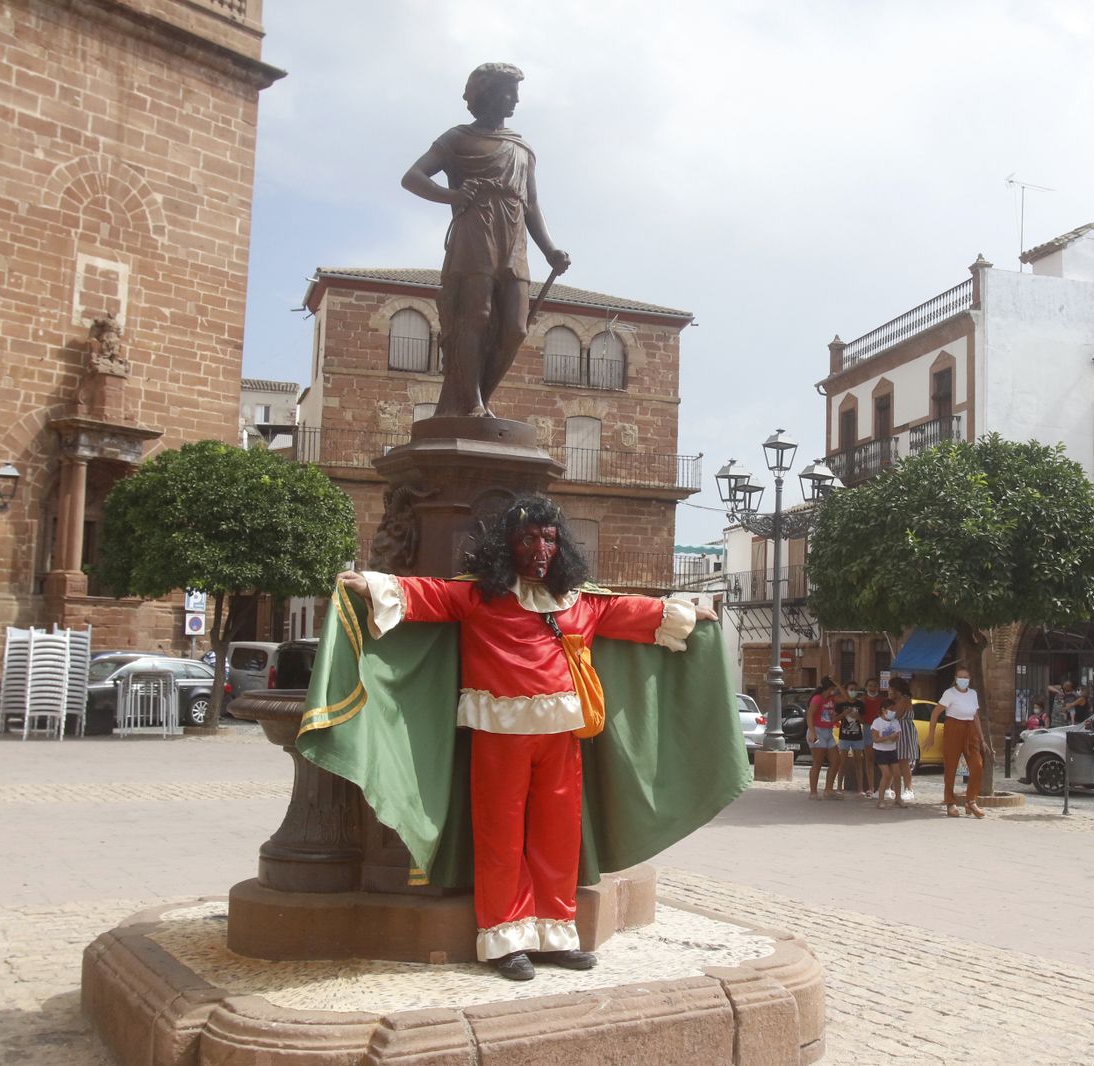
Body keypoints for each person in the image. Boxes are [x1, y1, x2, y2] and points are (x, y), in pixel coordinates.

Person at [333, 495, 718, 980]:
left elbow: (627, 610)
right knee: (501, 836)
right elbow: (425, 594)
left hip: (562, 735)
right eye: (530, 538)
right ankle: (505, 938)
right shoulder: (479, 596)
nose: (541, 548)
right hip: (499, 736)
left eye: (549, 538)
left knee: (558, 836)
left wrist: (685, 615)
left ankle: (556, 933)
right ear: (508, 545)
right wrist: (369, 584)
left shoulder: (578, 600)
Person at [401, 63, 571, 418]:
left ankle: (479, 398)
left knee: (515, 328)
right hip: (474, 235)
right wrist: (453, 196)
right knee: (475, 317)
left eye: (517, 92)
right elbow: (412, 177)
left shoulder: (521, 147)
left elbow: (533, 204)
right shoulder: (456, 138)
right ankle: (472, 403)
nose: (516, 99)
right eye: (509, 91)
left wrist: (550, 249)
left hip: (514, 241)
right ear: (488, 94)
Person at [928, 666, 989, 819]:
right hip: (953, 728)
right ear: (955, 679)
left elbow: (975, 716)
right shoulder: (949, 693)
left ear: (969, 679)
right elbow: (935, 713)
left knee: (977, 766)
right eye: (960, 677)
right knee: (951, 767)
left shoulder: (973, 694)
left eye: (966, 677)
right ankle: (950, 802)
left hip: (970, 731)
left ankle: (971, 800)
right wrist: (931, 735)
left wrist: (982, 739)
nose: (963, 680)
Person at [806, 679, 842, 800]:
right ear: (829, 688)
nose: (835, 691)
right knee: (818, 761)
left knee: (836, 760)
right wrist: (812, 732)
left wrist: (837, 684)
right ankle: (813, 792)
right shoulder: (817, 699)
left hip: (828, 732)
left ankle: (828, 789)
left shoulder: (832, 699)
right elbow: (810, 715)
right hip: (817, 732)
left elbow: (846, 698)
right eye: (833, 688)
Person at [889, 675, 919, 801]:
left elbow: (896, 714)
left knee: (903, 761)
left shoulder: (904, 699)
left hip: (904, 732)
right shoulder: (897, 700)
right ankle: (889, 788)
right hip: (896, 732)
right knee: (893, 760)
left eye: (891, 688)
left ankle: (908, 789)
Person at [871, 698, 904, 808]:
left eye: (894, 709)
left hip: (892, 750)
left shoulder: (895, 722)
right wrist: (888, 737)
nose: (893, 712)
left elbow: (897, 738)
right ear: (884, 710)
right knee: (886, 774)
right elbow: (875, 739)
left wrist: (894, 738)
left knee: (897, 775)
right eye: (891, 709)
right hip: (880, 751)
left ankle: (898, 798)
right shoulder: (877, 722)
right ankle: (880, 800)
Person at [858, 679, 884, 798]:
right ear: (866, 687)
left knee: (882, 759)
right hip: (868, 729)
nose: (872, 688)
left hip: (880, 729)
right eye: (870, 686)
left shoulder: (882, 701)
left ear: (878, 687)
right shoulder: (862, 700)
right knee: (869, 759)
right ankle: (871, 787)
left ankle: (884, 787)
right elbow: (860, 716)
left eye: (874, 686)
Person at [835, 698, 865, 793]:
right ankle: (839, 787)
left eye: (854, 689)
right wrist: (844, 714)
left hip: (857, 737)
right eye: (851, 689)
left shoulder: (860, 704)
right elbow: (834, 719)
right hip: (844, 737)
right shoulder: (842, 704)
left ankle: (860, 788)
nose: (853, 691)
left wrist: (858, 716)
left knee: (858, 761)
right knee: (843, 761)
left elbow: (864, 721)